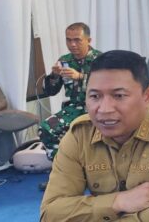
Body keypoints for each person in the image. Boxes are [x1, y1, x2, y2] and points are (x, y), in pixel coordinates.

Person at [40, 50, 149, 221]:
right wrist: (117, 202)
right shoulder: (80, 135)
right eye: (95, 96)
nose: (104, 109)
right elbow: (50, 213)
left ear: (147, 96)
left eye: (119, 96)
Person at [39, 22, 102, 160]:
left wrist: (80, 77)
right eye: (69, 40)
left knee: (96, 138)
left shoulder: (101, 60)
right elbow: (50, 92)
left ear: (88, 40)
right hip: (74, 108)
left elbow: (108, 84)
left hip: (99, 108)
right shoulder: (64, 61)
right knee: (46, 128)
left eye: (77, 40)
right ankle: (62, 166)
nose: (72, 44)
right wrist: (54, 76)